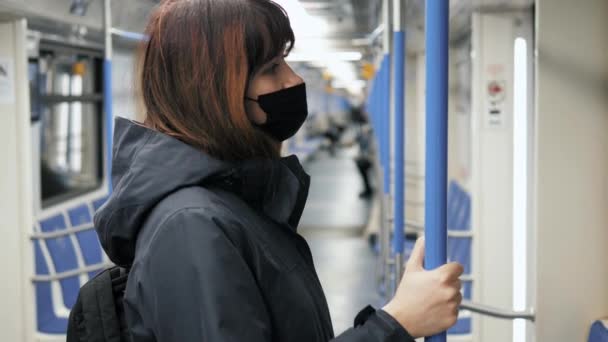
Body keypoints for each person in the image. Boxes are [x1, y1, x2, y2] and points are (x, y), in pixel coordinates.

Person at [94, 1, 463, 341]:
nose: (293, 81)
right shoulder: (192, 226)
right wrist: (395, 325)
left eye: (286, 62)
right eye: (271, 69)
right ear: (215, 91)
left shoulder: (232, 205)